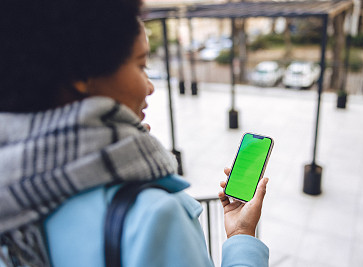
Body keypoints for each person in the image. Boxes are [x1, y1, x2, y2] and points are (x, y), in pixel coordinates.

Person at [0, 0, 270, 266]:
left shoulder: (13, 198)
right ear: (83, 73)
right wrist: (241, 235)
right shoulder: (152, 217)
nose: (149, 87)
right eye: (141, 65)